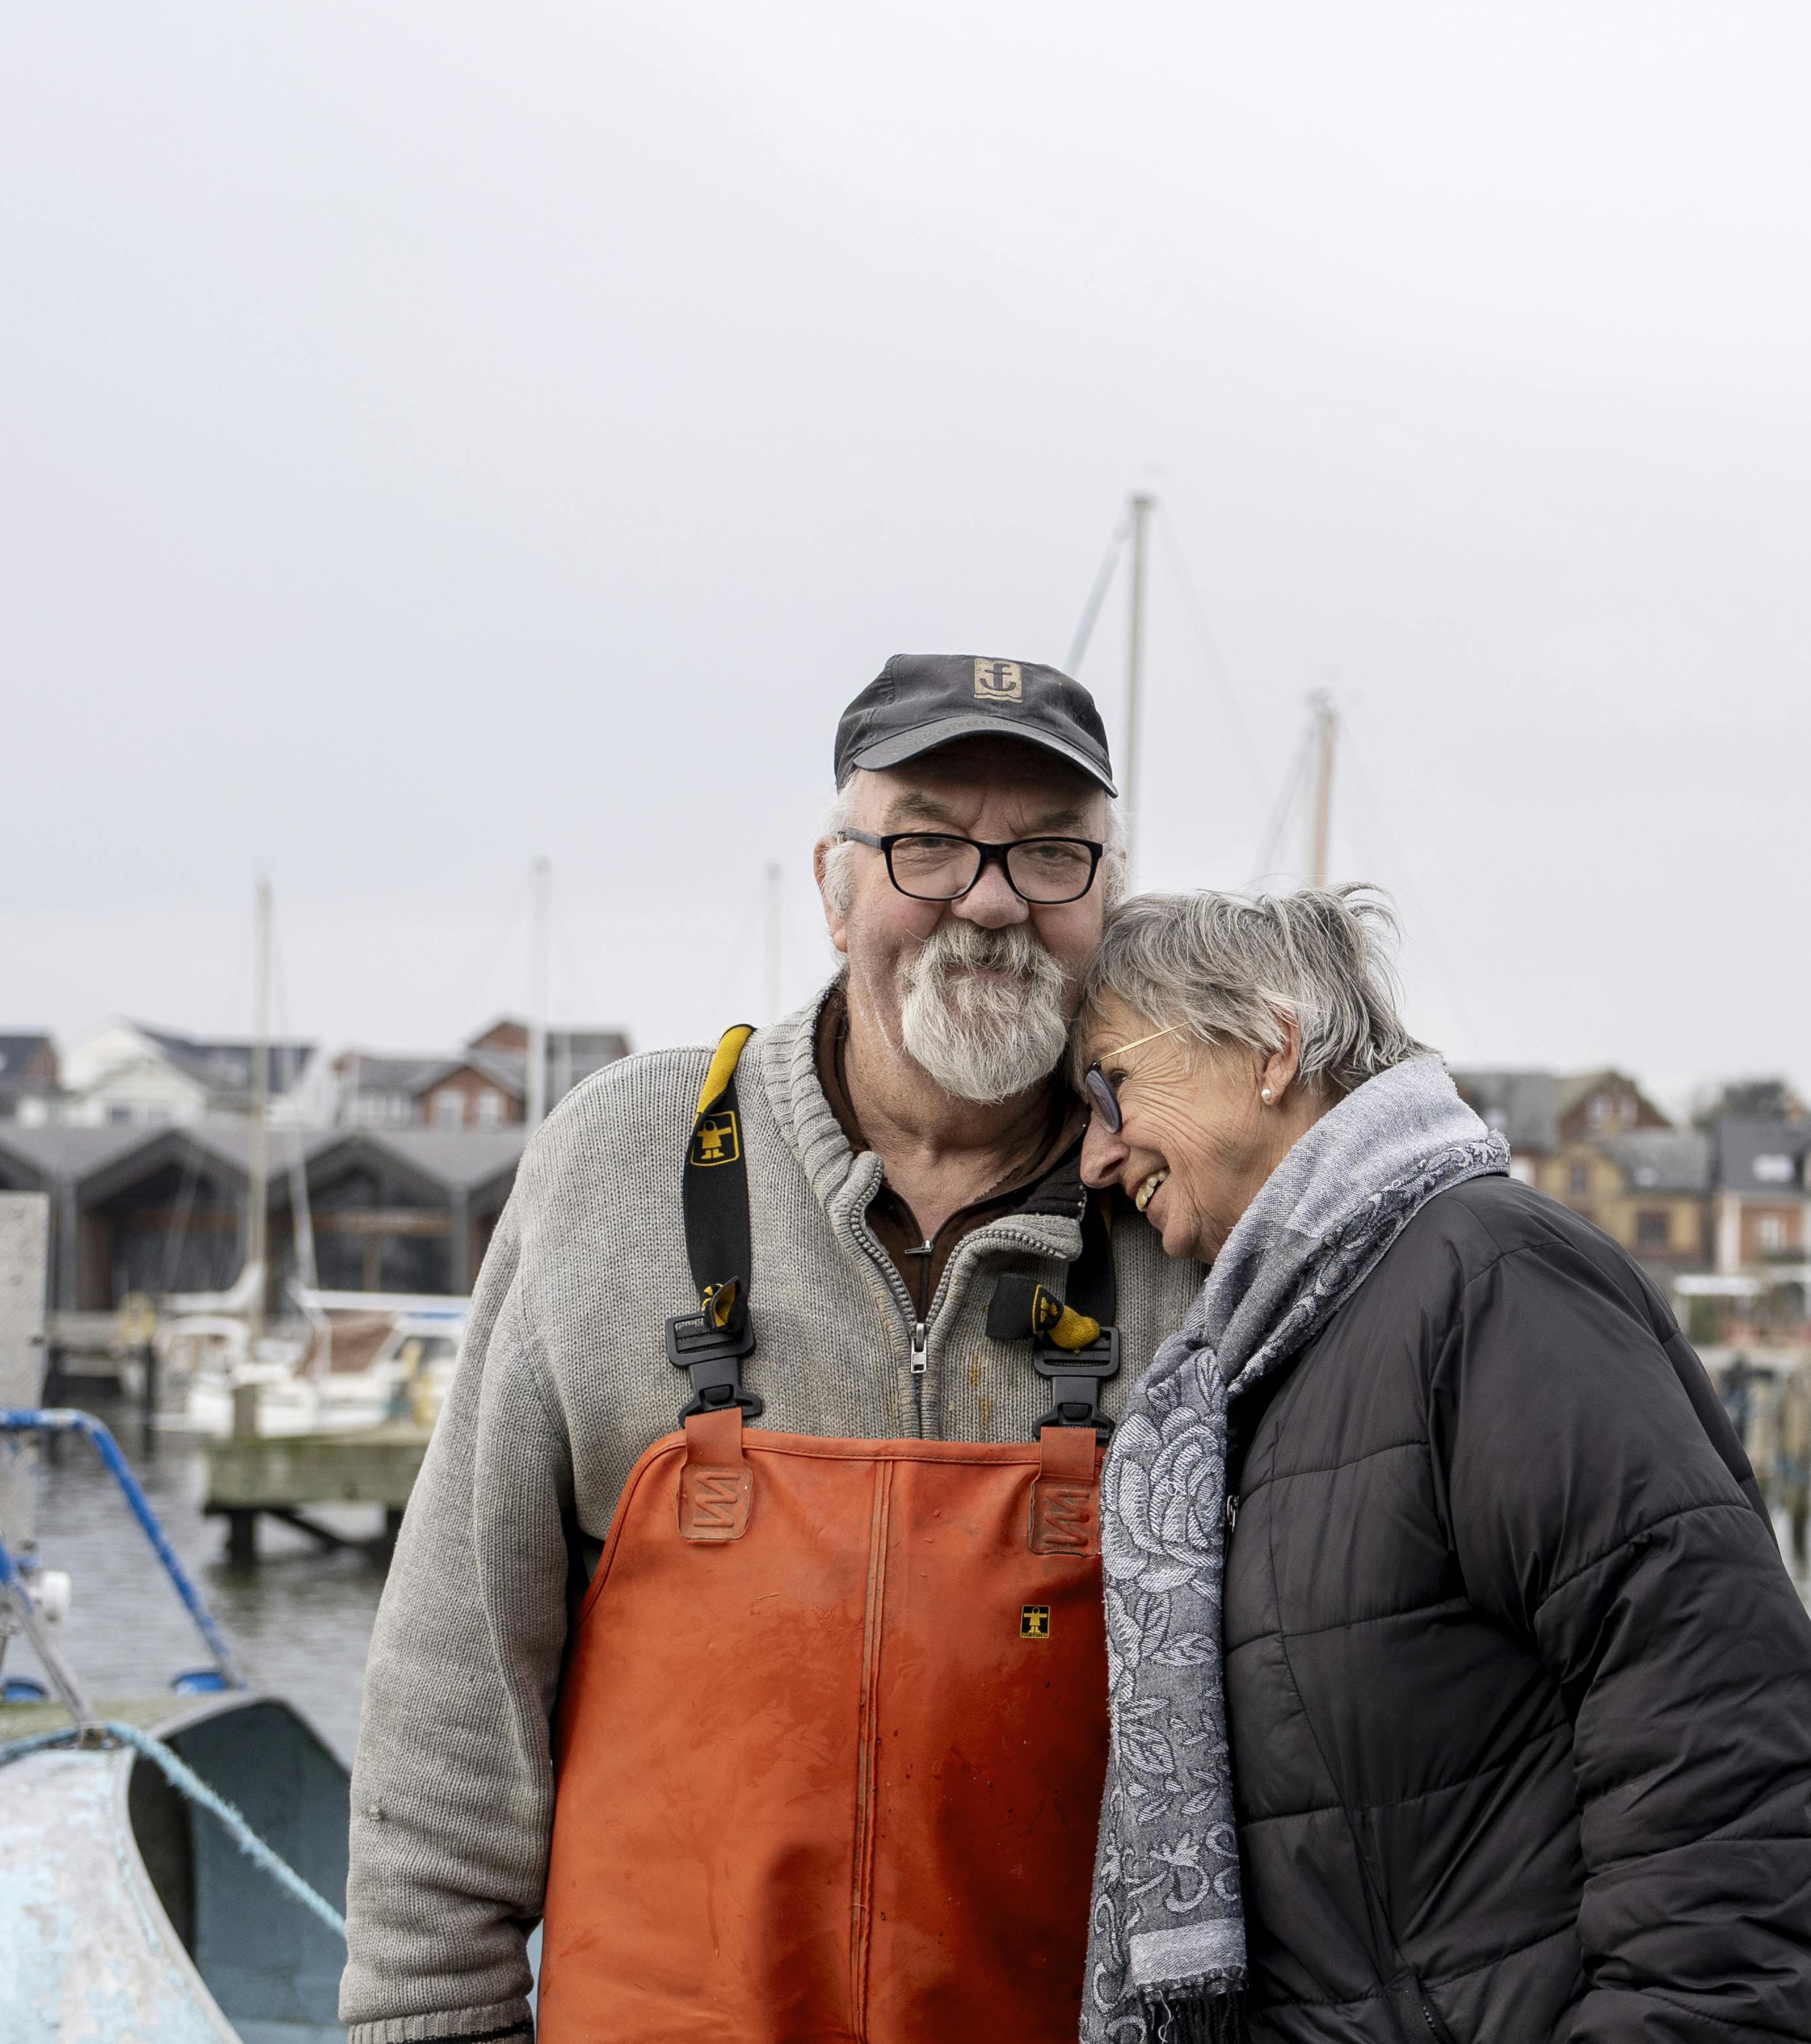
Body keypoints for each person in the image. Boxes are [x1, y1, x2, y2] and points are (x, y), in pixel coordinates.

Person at [339, 654, 1204, 2044]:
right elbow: (456, 1685)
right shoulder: (617, 1161)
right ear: (832, 880)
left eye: (1051, 852)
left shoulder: (1187, 1208)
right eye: (925, 840)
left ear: (1107, 893)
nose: (987, 898)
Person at [1071, 888, 1811, 2044]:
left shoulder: (1486, 1278)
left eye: (1109, 1085)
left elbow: (1719, 1726)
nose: (1096, 1155)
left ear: (1270, 1048)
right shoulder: (1276, 1355)